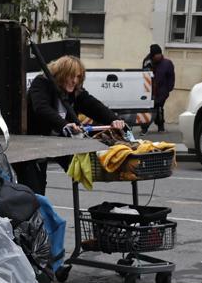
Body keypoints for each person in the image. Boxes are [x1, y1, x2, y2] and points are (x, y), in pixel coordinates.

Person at [22, 55, 126, 193]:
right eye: (71, 76)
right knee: (35, 188)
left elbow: (94, 105)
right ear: (61, 74)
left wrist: (114, 119)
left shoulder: (75, 92)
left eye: (78, 77)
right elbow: (41, 108)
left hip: (56, 142)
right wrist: (64, 125)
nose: (74, 81)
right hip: (32, 145)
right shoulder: (41, 83)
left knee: (81, 164)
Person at [142, 43, 176, 134]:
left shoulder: (167, 63)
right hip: (150, 91)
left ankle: (159, 127)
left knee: (159, 108)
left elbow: (171, 77)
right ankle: (146, 127)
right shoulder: (147, 62)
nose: (158, 56)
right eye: (156, 55)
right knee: (150, 109)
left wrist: (169, 88)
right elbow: (144, 76)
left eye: (159, 54)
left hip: (162, 91)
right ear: (152, 55)